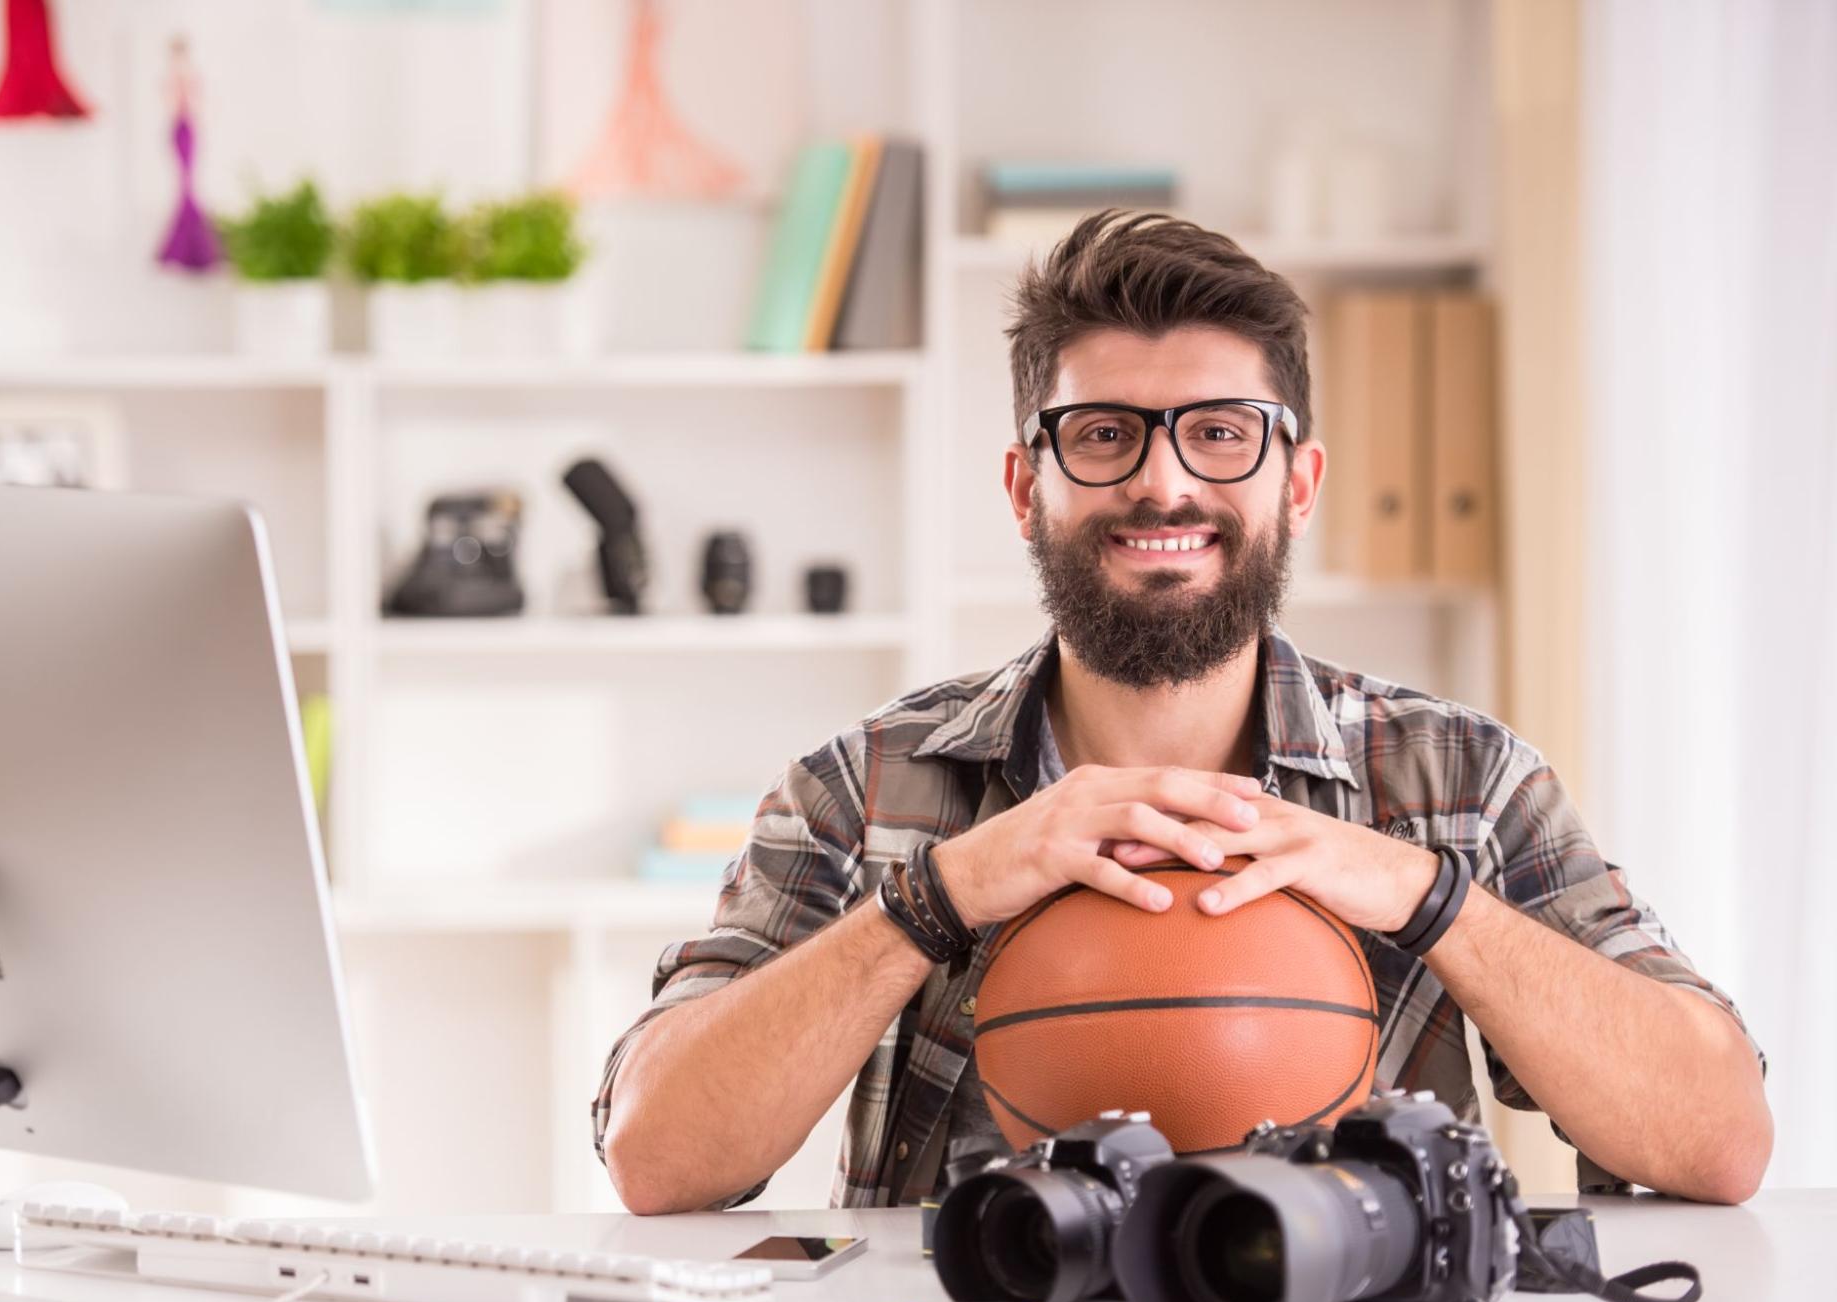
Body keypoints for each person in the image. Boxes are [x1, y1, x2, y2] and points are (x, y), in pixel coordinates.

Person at [593, 211, 1771, 1215]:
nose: (1163, 481)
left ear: (1295, 483)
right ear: (1024, 485)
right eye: (1103, 434)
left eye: (1218, 432)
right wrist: (936, 898)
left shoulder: (1457, 777)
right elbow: (655, 1156)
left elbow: (1717, 1139)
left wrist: (1425, 895)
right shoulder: (865, 788)